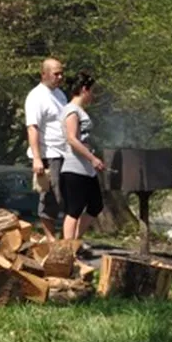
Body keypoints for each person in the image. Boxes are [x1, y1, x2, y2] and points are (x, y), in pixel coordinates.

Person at [59, 71, 105, 240]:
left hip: (87, 170)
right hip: (74, 168)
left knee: (95, 205)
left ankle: (75, 241)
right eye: (91, 91)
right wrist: (92, 158)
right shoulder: (71, 110)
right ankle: (67, 250)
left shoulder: (80, 111)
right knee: (74, 210)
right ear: (84, 90)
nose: (92, 95)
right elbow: (72, 138)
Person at [25, 57, 68, 240]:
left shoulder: (60, 95)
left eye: (61, 73)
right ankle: (51, 238)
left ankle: (66, 238)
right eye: (56, 73)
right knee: (51, 196)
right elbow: (32, 127)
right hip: (48, 154)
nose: (60, 77)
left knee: (65, 196)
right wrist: (36, 157)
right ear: (44, 74)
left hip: (64, 152)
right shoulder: (36, 96)